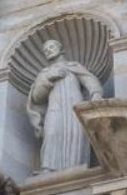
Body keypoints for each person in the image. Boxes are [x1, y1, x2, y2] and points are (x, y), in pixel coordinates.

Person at [27, 39, 103, 172]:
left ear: (60, 48)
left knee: (75, 133)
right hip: (54, 108)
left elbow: (89, 79)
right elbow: (37, 97)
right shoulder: (45, 73)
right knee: (52, 133)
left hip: (74, 106)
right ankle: (48, 168)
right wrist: (49, 78)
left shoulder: (73, 66)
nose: (48, 50)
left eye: (51, 46)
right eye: (45, 50)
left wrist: (96, 94)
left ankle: (76, 166)